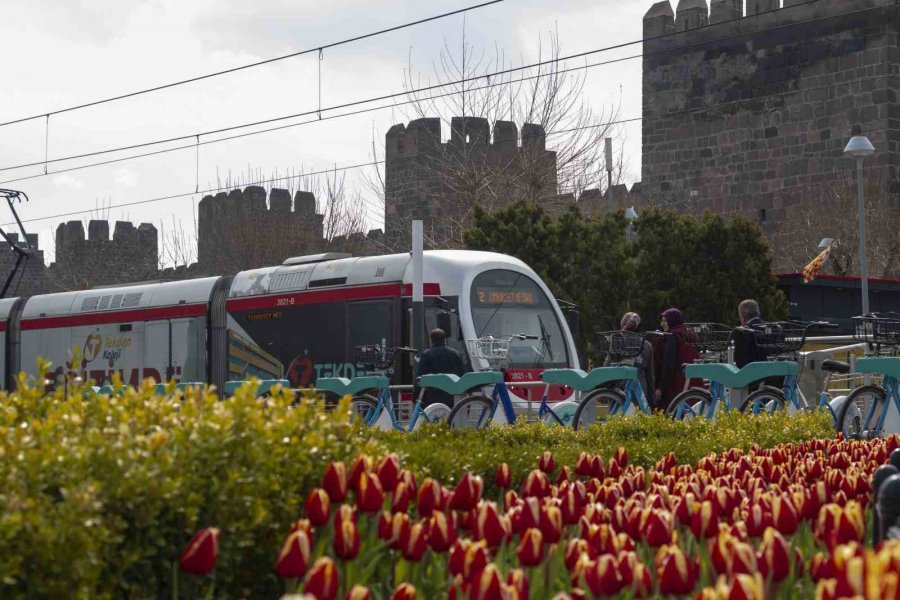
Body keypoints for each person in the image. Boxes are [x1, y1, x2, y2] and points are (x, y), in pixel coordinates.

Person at [653, 308, 699, 411]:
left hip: (674, 386)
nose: (661, 324)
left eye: (665, 321)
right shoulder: (687, 336)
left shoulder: (671, 337)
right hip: (691, 383)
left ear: (672, 321)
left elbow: (668, 365)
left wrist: (660, 388)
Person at [608, 312, 655, 402]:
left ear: (622, 323)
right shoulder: (647, 345)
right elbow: (650, 376)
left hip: (618, 388)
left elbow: (608, 365)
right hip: (639, 389)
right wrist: (651, 398)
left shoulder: (615, 340)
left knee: (616, 414)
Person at [414, 328, 466, 408]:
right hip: (452, 397)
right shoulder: (456, 354)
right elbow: (462, 375)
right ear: (444, 339)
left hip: (432, 398)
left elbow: (421, 377)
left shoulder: (427, 354)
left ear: (431, 340)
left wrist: (416, 396)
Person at [733, 299, 766, 368]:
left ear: (742, 316)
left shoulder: (742, 332)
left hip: (751, 373)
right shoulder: (772, 328)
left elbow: (740, 361)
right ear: (758, 313)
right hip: (773, 373)